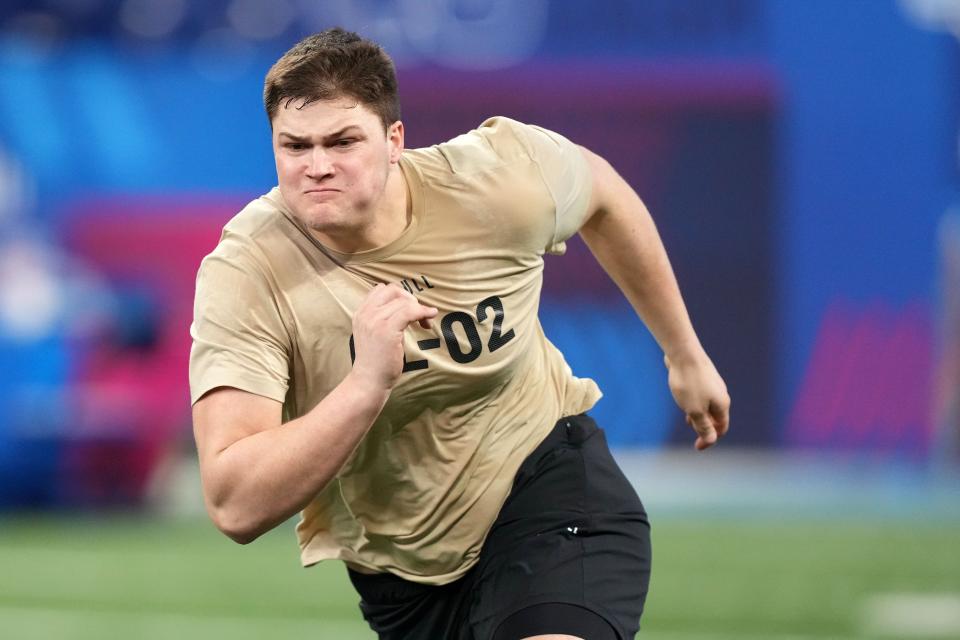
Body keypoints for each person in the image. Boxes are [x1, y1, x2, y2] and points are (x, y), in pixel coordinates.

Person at [189, 28, 730, 640]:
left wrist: (683, 353)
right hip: (402, 572)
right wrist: (365, 386)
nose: (318, 166)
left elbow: (604, 193)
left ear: (394, 140)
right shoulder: (247, 272)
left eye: (343, 142)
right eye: (296, 146)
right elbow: (235, 503)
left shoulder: (496, 178)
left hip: (547, 485)